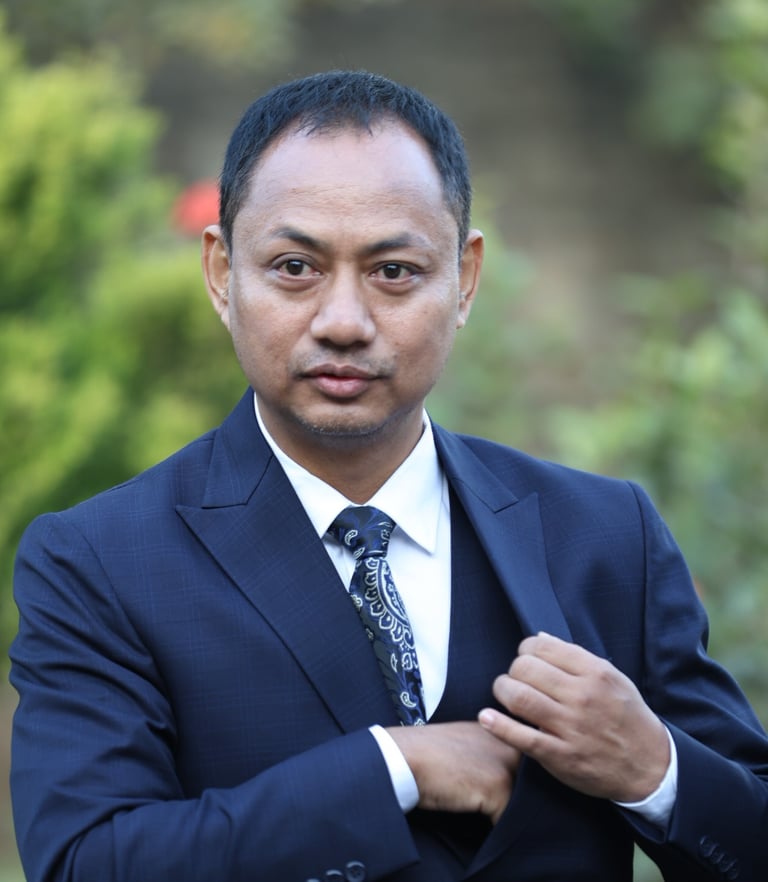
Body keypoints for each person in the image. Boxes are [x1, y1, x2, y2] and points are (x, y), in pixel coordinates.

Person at [9, 70, 768, 882]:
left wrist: (655, 769)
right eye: (294, 266)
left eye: (394, 271)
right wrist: (394, 768)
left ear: (464, 279)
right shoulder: (101, 562)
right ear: (222, 274)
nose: (343, 322)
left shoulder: (606, 536)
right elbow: (86, 862)